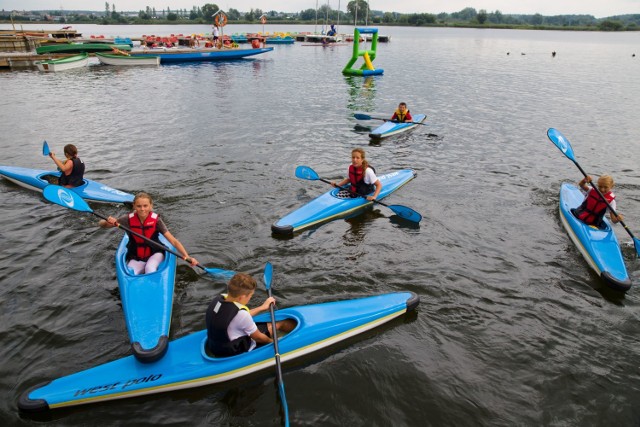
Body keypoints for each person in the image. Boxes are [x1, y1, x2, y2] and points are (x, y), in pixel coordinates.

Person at [98, 192, 198, 275]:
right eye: (139, 206)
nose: (142, 209)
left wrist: (187, 256)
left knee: (150, 269)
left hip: (155, 253)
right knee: (129, 273)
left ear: (151, 206)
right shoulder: (126, 219)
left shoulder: (156, 221)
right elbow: (102, 225)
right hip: (136, 256)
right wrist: (108, 221)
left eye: (145, 206)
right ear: (134, 206)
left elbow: (173, 241)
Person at [205, 272, 296, 357]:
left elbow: (232, 316)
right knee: (279, 324)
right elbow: (258, 337)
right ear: (242, 297)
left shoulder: (218, 300)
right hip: (233, 350)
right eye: (250, 296)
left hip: (216, 345)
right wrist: (273, 342)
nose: (250, 298)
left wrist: (262, 307)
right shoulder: (241, 315)